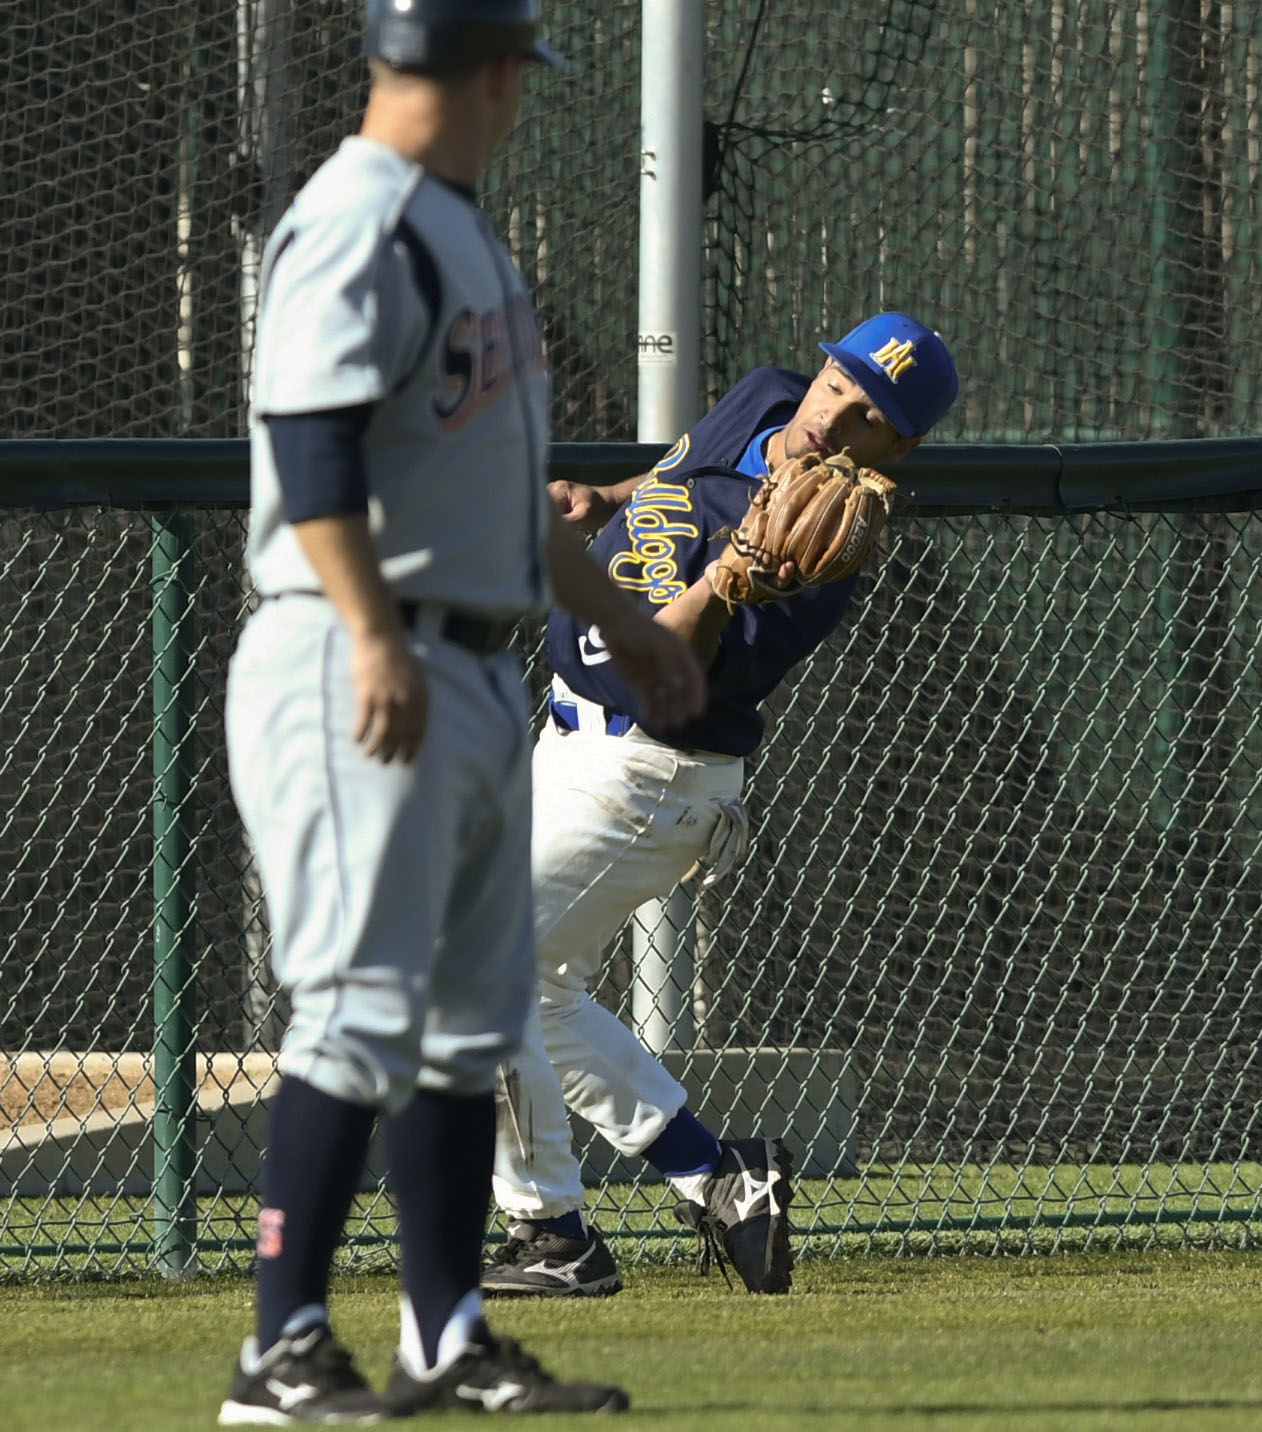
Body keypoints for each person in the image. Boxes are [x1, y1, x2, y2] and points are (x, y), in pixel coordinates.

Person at [219, 1, 706, 1423]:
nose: (517, 101)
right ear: (492, 72)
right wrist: (373, 634)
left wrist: (621, 619)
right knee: (361, 1009)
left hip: (485, 662)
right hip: (354, 654)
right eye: (517, 80)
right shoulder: (359, 221)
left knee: (461, 1025)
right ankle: (280, 1352)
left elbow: (508, 479)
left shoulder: (464, 232)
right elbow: (305, 447)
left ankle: (446, 1339)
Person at [484, 311, 960, 1298]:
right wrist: (600, 498)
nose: (831, 419)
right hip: (567, 742)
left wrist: (733, 578)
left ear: (897, 446)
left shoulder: (823, 554)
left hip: (643, 778)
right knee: (534, 989)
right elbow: (668, 477)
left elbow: (670, 669)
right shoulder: (764, 397)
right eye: (838, 385)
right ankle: (718, 1179)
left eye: (866, 416)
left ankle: (552, 1236)